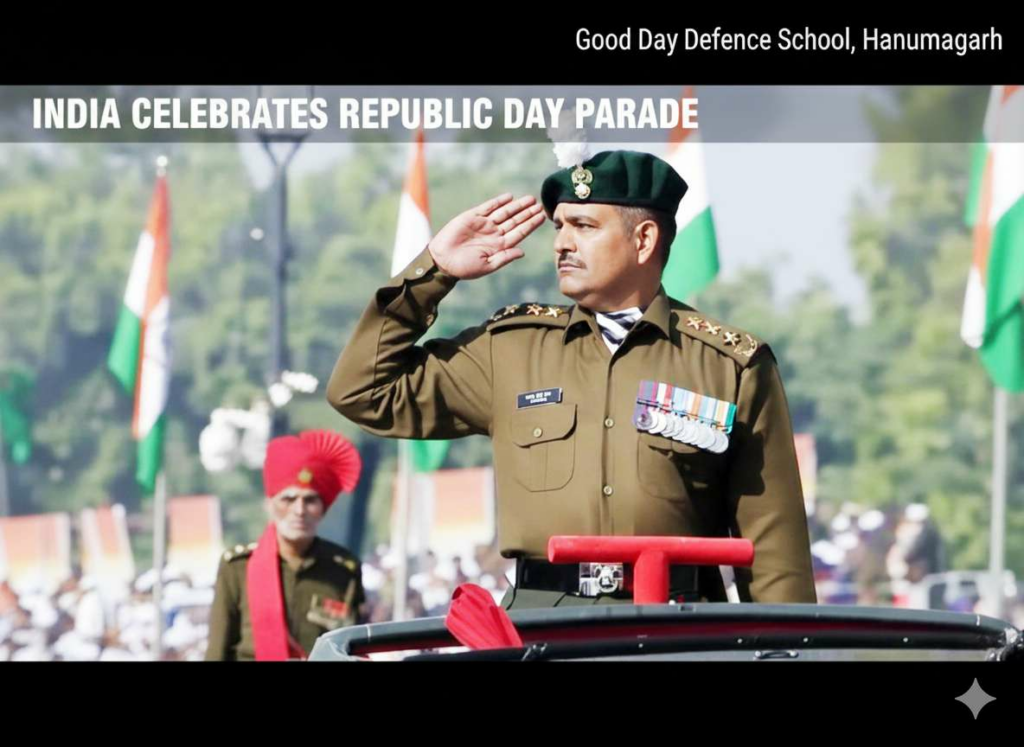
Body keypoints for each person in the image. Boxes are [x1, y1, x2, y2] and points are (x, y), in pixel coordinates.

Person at [327, 149, 816, 608]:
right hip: (546, 628)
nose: (561, 242)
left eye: (583, 226)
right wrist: (433, 272)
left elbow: (774, 545)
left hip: (679, 627)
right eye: (559, 226)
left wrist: (786, 652)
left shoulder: (728, 364)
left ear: (643, 239)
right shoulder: (511, 349)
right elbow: (363, 391)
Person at [205, 429, 365, 660]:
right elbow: (217, 651)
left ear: (323, 509)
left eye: (310, 500)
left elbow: (353, 647)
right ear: (269, 505)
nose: (299, 511)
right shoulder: (238, 568)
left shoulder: (343, 570)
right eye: (288, 499)